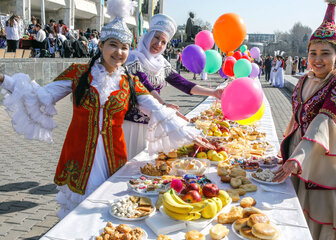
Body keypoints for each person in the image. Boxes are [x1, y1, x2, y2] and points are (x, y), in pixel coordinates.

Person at [0, 0, 212, 219]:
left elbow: (157, 109)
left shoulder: (130, 82)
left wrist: (190, 134)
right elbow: (41, 96)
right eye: (113, 45)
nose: (119, 52)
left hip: (114, 156)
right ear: (101, 45)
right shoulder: (79, 73)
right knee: (75, 214)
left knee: (106, 212)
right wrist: (4, 80)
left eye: (124, 47)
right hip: (80, 156)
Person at [274, 1, 336, 239]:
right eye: (313, 53)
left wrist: (297, 158)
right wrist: (286, 150)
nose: (318, 60)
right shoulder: (303, 80)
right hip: (297, 154)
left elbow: (322, 121)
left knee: (319, 223)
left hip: (320, 160)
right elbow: (295, 117)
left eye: (325, 54)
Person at [125, 14, 224, 160]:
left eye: (163, 42)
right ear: (148, 36)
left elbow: (182, 83)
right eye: (156, 37)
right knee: (129, 163)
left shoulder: (161, 63)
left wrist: (213, 92)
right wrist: (164, 106)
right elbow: (144, 85)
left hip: (153, 121)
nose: (159, 44)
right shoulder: (133, 58)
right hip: (132, 124)